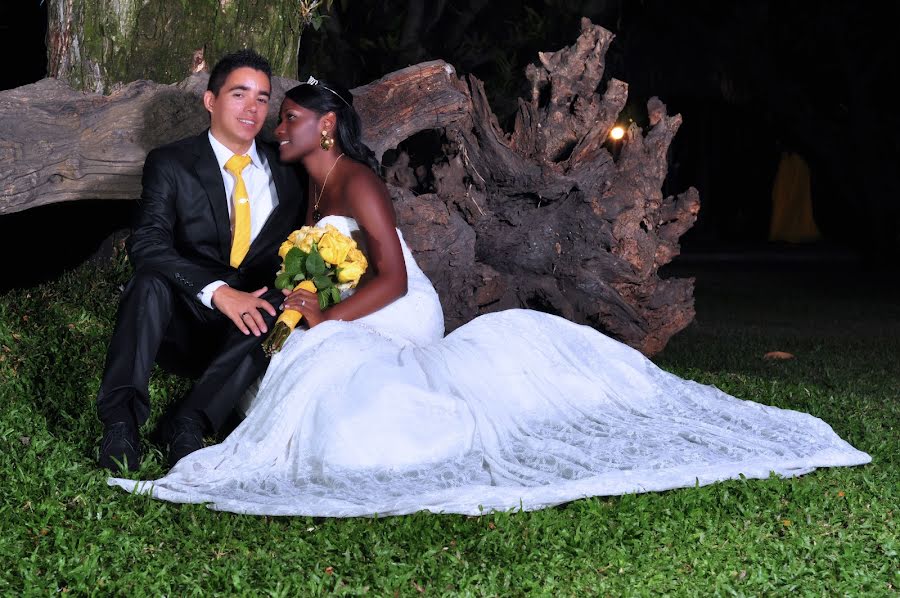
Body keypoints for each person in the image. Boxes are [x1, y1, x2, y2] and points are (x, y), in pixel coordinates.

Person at [108, 79, 869, 516]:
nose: (279, 129)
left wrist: (322, 316)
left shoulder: (359, 181)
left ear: (328, 126)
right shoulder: (306, 190)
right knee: (295, 344)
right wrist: (300, 297)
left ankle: (201, 421)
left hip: (397, 305)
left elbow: (396, 279)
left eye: (292, 119)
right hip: (348, 295)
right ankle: (192, 421)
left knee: (324, 362)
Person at [96, 50, 305, 473]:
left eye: (263, 98)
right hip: (182, 319)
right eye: (240, 94)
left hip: (248, 332)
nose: (253, 108)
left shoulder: (288, 170)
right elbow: (148, 244)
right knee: (149, 281)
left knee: (285, 306)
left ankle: (189, 421)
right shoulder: (171, 162)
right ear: (210, 100)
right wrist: (220, 293)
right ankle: (120, 423)